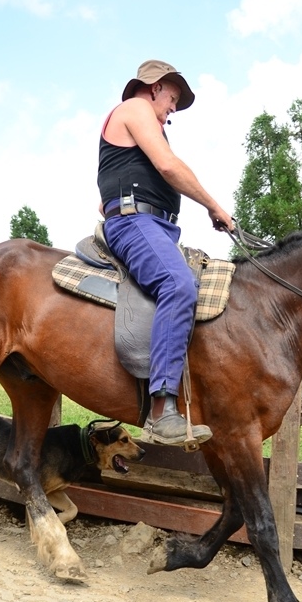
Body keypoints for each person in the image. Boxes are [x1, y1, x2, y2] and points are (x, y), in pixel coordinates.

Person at [97, 59, 234, 448]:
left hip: (154, 224)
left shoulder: (136, 127)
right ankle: (162, 412)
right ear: (155, 87)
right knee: (178, 283)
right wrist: (214, 206)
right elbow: (168, 166)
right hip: (135, 222)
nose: (173, 108)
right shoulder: (136, 109)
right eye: (173, 98)